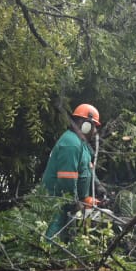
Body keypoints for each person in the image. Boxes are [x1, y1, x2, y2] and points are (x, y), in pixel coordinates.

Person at [41, 103, 101, 240]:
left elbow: (88, 167)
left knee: (69, 234)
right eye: (94, 127)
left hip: (69, 200)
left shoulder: (81, 144)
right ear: (85, 124)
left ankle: (62, 256)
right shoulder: (71, 144)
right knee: (54, 231)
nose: (95, 132)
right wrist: (75, 201)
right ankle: (46, 256)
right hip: (58, 199)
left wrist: (98, 185)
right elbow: (67, 178)